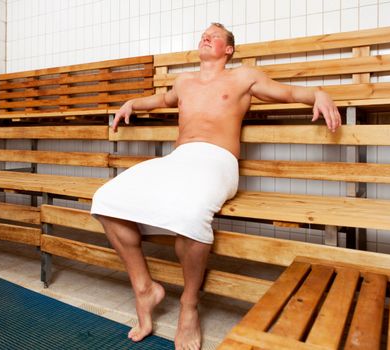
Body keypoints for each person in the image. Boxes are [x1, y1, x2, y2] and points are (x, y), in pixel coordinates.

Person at [90, 23, 341, 350]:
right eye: (204, 33)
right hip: (178, 159)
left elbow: (290, 93)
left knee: (191, 215)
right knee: (106, 200)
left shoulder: (243, 77)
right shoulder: (184, 82)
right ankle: (144, 289)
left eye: (215, 34)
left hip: (218, 161)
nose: (206, 36)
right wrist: (131, 104)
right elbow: (160, 99)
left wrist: (319, 93)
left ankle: (189, 305)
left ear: (229, 49)